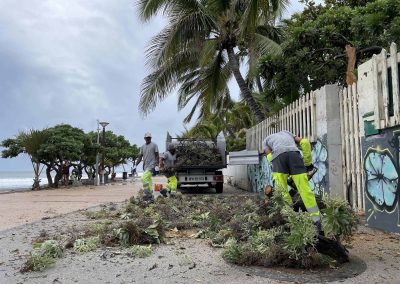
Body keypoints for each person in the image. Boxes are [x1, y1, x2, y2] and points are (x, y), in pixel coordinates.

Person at [262, 131, 322, 226]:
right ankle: (317, 221)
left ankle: (291, 220)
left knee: (283, 191)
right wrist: (308, 164)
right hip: (295, 156)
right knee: (305, 191)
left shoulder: (265, 141)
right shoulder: (288, 133)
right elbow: (305, 142)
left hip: (278, 159)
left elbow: (269, 157)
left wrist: (277, 166)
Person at [136, 132, 159, 201]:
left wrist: (156, 164)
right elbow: (140, 156)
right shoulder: (142, 147)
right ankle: (151, 195)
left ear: (151, 138)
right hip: (145, 166)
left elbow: (157, 155)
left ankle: (147, 193)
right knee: (149, 180)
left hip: (152, 166)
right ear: (144, 138)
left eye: (149, 137)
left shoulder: (154, 145)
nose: (148, 139)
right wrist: (136, 164)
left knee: (143, 178)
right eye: (147, 138)